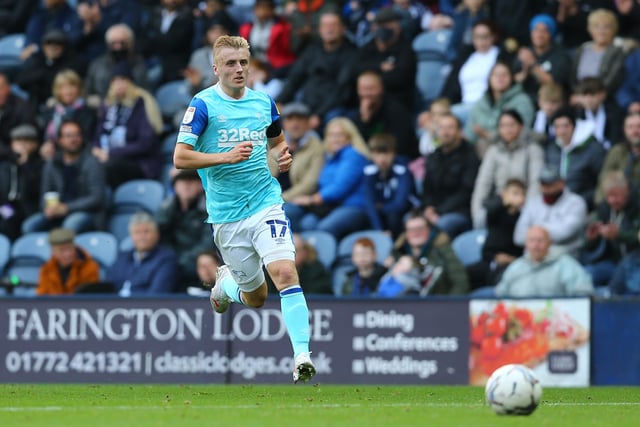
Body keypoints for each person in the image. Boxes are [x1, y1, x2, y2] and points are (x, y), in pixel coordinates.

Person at [172, 35, 316, 383]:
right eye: (231, 63)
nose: (239, 69)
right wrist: (225, 156)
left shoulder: (264, 103)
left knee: (285, 273)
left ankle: (302, 357)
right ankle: (224, 284)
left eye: (244, 63)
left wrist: (280, 158)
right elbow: (180, 157)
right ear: (216, 68)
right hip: (227, 216)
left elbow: (278, 142)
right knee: (256, 298)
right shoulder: (203, 105)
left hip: (266, 203)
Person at [284, 116, 371, 240]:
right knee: (307, 223)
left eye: (339, 135)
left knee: (325, 228)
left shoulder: (353, 155)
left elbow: (339, 188)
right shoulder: (331, 158)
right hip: (331, 206)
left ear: (349, 137)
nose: (334, 139)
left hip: (353, 206)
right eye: (331, 135)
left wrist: (311, 199)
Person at [277, 10, 357, 130]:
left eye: (334, 25)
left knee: (332, 119)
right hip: (306, 102)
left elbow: (342, 91)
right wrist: (280, 101)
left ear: (343, 29)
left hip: (332, 108)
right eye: (326, 26)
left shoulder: (351, 54)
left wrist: (318, 115)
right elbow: (295, 78)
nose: (329, 29)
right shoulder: (312, 50)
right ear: (320, 29)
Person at [21, 119, 106, 234]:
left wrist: (67, 208)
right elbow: (45, 194)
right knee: (28, 226)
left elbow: (97, 198)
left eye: (77, 135)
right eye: (69, 136)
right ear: (59, 140)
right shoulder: (52, 164)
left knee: (70, 224)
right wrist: (48, 209)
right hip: (57, 212)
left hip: (85, 212)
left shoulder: (92, 163)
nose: (73, 139)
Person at [91, 62, 164, 189]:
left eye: (122, 80)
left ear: (131, 82)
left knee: (109, 166)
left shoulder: (142, 104)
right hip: (109, 157)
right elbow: (98, 135)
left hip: (139, 163)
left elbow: (145, 143)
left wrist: (111, 153)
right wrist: (96, 150)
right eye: (114, 81)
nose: (118, 84)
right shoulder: (109, 106)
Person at [471, 109, 544, 229]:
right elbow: (483, 183)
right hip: (499, 203)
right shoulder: (493, 151)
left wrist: (528, 210)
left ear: (521, 126)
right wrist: (477, 212)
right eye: (503, 126)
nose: (507, 130)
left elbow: (535, 182)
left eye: (511, 125)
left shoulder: (533, 149)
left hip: (523, 203)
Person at [420, 112, 479, 239]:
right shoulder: (433, 156)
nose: (445, 132)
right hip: (435, 210)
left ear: (459, 131)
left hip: (460, 211)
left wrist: (439, 212)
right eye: (441, 128)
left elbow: (466, 192)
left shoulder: (470, 156)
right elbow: (426, 188)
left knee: (443, 224)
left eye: (450, 127)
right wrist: (429, 208)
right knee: (411, 221)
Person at [495, 225, 594, 297]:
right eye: (532, 240)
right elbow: (500, 294)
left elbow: (583, 292)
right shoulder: (516, 267)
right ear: (526, 244)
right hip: (520, 320)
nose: (536, 245)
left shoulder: (565, 264)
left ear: (549, 243)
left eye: (540, 240)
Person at [155, 168, 211, 290]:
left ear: (200, 186)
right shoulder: (167, 208)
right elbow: (158, 235)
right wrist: (170, 259)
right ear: (175, 187)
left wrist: (179, 261)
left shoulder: (209, 209)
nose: (186, 185)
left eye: (191, 181)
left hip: (195, 261)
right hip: (171, 261)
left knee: (205, 261)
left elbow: (208, 243)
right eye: (181, 181)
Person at [513, 165, 588, 256]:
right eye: (543, 184)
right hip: (532, 259)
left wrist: (533, 234)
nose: (546, 188)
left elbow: (564, 233)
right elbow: (518, 237)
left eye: (550, 184)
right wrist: (543, 235)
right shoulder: (532, 203)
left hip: (565, 257)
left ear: (561, 183)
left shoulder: (576, 202)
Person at [582, 171, 640, 288]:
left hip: (636, 262)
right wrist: (591, 239)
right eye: (608, 196)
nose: (612, 200)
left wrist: (619, 235)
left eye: (616, 195)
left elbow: (637, 237)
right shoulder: (604, 209)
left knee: (633, 284)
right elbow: (587, 246)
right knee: (585, 275)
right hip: (613, 262)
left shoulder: (637, 206)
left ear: (627, 190)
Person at [391, 210, 470, 295]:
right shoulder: (398, 252)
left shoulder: (442, 250)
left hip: (438, 303)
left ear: (429, 230)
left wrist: (449, 305)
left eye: (420, 229)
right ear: (406, 233)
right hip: (403, 305)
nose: (416, 233)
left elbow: (460, 282)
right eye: (411, 230)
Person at [467, 178, 526, 291]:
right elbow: (485, 212)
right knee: (462, 275)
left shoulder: (524, 218)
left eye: (521, 194)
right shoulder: (496, 212)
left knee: (498, 279)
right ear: (504, 194)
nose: (517, 197)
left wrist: (511, 260)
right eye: (514, 193)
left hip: (512, 263)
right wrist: (502, 201)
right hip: (489, 260)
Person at [353, 8, 417, 110]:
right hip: (365, 102)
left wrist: (370, 79)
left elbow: (400, 78)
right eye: (380, 24)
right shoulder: (367, 48)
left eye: (388, 24)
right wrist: (380, 66)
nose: (383, 28)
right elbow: (355, 69)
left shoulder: (406, 50)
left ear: (398, 27)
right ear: (373, 28)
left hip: (398, 104)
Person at [463, 61, 535, 152]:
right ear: (489, 79)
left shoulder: (522, 101)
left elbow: (522, 133)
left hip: (513, 150)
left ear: (512, 78)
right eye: (496, 75)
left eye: (504, 75)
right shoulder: (481, 102)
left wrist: (488, 136)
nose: (500, 78)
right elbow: (469, 135)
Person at [348, 70, 419, 161]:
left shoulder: (397, 111)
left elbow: (400, 146)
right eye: (363, 89)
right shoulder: (356, 114)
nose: (367, 94)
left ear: (381, 88)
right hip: (368, 159)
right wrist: (364, 121)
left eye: (371, 89)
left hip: (398, 158)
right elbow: (356, 144)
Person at [545, 106, 605, 209]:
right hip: (555, 205)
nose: (562, 131)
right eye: (557, 127)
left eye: (565, 126)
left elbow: (602, 183)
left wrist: (581, 200)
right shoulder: (552, 150)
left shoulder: (593, 149)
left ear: (574, 126)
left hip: (585, 204)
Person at [107, 212, 179, 295]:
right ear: (131, 236)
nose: (142, 237)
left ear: (157, 234)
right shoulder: (121, 257)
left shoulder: (166, 260)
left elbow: (158, 295)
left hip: (144, 307)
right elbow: (108, 288)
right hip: (114, 306)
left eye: (146, 232)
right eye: (137, 232)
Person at [363, 133, 416, 239]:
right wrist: (380, 230)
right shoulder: (368, 171)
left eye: (386, 153)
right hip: (384, 213)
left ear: (394, 153)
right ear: (371, 155)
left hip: (405, 211)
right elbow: (370, 202)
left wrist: (381, 207)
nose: (382, 158)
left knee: (393, 217)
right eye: (378, 154)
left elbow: (400, 204)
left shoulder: (402, 169)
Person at [269, 102, 325, 202]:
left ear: (308, 123)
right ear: (284, 124)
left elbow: (309, 184)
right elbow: (266, 173)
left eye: (300, 119)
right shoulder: (276, 142)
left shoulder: (316, 147)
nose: (295, 124)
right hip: (271, 198)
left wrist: (281, 198)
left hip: (296, 200)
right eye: (290, 119)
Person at [38, 69, 98, 160]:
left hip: (78, 156)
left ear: (79, 89)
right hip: (51, 154)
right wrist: (46, 145)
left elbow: (85, 140)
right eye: (63, 87)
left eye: (72, 86)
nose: (68, 91)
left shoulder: (87, 112)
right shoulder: (51, 111)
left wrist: (55, 146)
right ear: (57, 90)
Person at [16, 29, 85, 107]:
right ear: (43, 46)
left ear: (64, 46)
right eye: (49, 43)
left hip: (64, 105)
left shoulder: (73, 62)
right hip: (37, 104)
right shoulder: (38, 60)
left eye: (57, 43)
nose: (53, 47)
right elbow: (21, 81)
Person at [512, 13, 572, 103]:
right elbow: (512, 79)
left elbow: (554, 84)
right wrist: (524, 74)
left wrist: (533, 64)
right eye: (536, 30)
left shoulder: (560, 55)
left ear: (551, 34)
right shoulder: (526, 52)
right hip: (524, 99)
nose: (539, 35)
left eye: (544, 31)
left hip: (550, 102)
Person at [0, 124, 44, 240]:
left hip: (28, 207)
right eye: (18, 140)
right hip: (7, 205)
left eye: (27, 140)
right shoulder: (6, 165)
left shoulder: (40, 165)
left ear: (35, 144)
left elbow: (34, 189)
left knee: (14, 222)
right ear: (12, 144)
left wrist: (25, 165)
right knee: (6, 219)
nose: (22, 144)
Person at [84, 23, 149, 100]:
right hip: (101, 105)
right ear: (108, 44)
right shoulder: (97, 65)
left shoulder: (139, 63)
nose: (118, 47)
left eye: (122, 43)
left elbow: (143, 90)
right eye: (114, 43)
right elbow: (88, 91)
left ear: (130, 44)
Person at [571, 8, 625, 97]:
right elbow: (572, 79)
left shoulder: (618, 52)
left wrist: (592, 96)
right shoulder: (582, 50)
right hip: (580, 97)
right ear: (590, 29)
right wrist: (579, 95)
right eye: (596, 26)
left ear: (614, 30)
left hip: (604, 98)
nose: (601, 31)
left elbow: (612, 80)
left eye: (606, 27)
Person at [238, 0, 296, 78]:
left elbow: (286, 50)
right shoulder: (247, 28)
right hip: (254, 62)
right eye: (260, 8)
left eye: (266, 8)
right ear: (255, 10)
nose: (263, 11)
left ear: (273, 10)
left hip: (275, 65)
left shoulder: (283, 27)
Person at [37, 227, 100, 295]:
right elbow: (42, 297)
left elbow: (91, 299)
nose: (67, 254)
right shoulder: (46, 269)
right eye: (61, 250)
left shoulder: (90, 267)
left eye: (70, 249)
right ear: (53, 252)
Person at [596, 111, 640, 203]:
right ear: (624, 130)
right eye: (630, 127)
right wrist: (602, 205)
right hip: (614, 205)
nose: (635, 131)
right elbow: (603, 180)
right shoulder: (616, 151)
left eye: (638, 126)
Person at [573, 76, 624, 151]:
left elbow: (615, 139)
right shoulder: (577, 115)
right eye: (584, 95)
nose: (588, 100)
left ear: (603, 95)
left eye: (592, 95)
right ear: (578, 97)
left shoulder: (614, 113)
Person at [0, 73, 38, 161]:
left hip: (16, 154)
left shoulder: (23, 107)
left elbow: (28, 135)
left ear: (8, 88)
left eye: (1, 88)